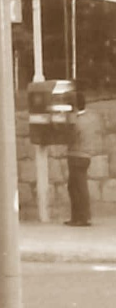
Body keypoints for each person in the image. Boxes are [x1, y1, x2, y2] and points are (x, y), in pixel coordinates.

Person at [66, 92, 102, 227]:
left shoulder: (77, 122)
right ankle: (79, 217)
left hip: (76, 155)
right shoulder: (90, 118)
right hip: (86, 155)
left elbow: (70, 137)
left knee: (76, 188)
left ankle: (81, 217)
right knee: (78, 187)